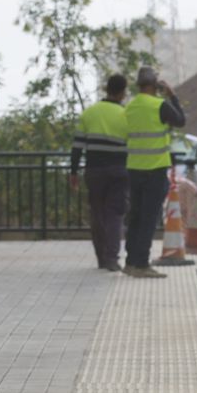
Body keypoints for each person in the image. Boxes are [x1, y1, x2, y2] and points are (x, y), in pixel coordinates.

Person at [124, 64, 186, 278]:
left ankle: (131, 262)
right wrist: (173, 96)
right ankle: (141, 264)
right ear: (155, 85)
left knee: (135, 217)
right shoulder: (159, 105)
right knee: (149, 219)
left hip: (134, 169)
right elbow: (181, 120)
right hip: (155, 170)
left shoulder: (130, 107)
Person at [70, 72, 129, 270]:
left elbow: (77, 147)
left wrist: (73, 172)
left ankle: (101, 259)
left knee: (97, 214)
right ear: (122, 93)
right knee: (115, 215)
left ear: (106, 89)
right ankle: (112, 259)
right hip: (119, 172)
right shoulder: (126, 114)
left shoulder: (89, 113)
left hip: (94, 172)